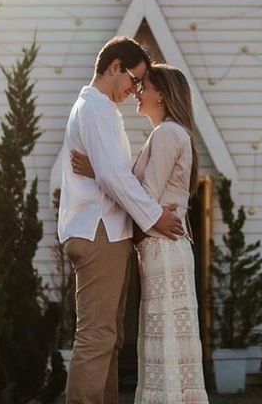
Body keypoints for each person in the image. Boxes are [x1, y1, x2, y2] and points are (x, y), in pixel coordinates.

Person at [58, 36, 186, 404]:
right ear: (115, 67)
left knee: (109, 338)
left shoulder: (95, 109)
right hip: (100, 233)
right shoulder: (96, 109)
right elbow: (117, 178)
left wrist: (101, 170)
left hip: (101, 230)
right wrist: (155, 218)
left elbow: (110, 173)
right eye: (134, 79)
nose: (135, 90)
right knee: (98, 337)